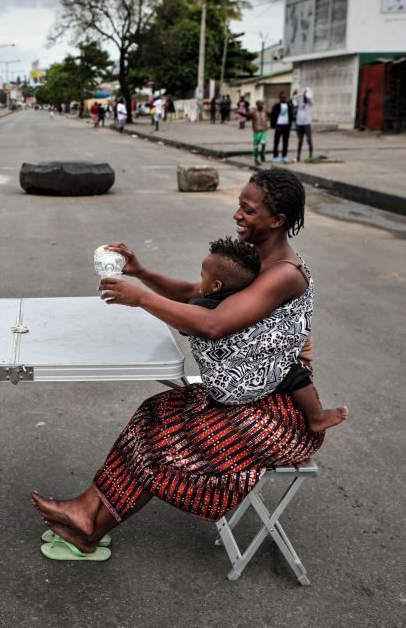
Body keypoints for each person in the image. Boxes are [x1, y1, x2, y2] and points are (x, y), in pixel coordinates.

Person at [31, 169, 327, 558]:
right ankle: (87, 509)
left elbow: (214, 323)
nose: (237, 215)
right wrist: (141, 272)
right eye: (238, 205)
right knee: (151, 414)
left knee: (166, 445)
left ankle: (91, 528)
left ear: (277, 221)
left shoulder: (283, 275)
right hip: (243, 397)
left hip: (278, 413)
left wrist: (140, 299)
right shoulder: (254, 261)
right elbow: (196, 295)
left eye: (248, 210)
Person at [186, 236, 347, 432]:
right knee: (292, 371)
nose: (200, 281)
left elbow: (191, 324)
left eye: (202, 276)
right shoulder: (242, 302)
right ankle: (316, 416)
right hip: (243, 380)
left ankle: (316, 417)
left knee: (288, 368)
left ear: (216, 286)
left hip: (222, 387)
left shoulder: (202, 306)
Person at [269, 91, 295, 163]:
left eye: (285, 97)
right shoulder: (276, 106)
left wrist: (290, 124)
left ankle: (284, 156)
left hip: (286, 126)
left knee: (285, 142)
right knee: (276, 142)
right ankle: (275, 156)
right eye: (282, 97)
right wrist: (272, 125)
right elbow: (273, 116)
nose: (284, 98)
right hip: (278, 125)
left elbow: (291, 115)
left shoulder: (289, 106)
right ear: (280, 98)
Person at [294, 88, 314, 162]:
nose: (304, 97)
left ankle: (310, 155)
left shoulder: (310, 103)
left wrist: (306, 94)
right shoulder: (300, 101)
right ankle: (298, 156)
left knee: (309, 140)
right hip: (299, 123)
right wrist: (297, 94)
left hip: (307, 123)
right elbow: (294, 101)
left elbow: (309, 97)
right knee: (300, 140)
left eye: (305, 96)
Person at [249, 99, 269, 166]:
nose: (261, 105)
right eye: (260, 104)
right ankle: (255, 159)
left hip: (264, 130)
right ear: (257, 105)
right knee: (256, 146)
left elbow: (272, 114)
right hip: (257, 131)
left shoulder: (265, 111)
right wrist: (240, 113)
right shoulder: (253, 112)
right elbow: (246, 115)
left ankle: (262, 154)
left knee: (263, 143)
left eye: (262, 104)